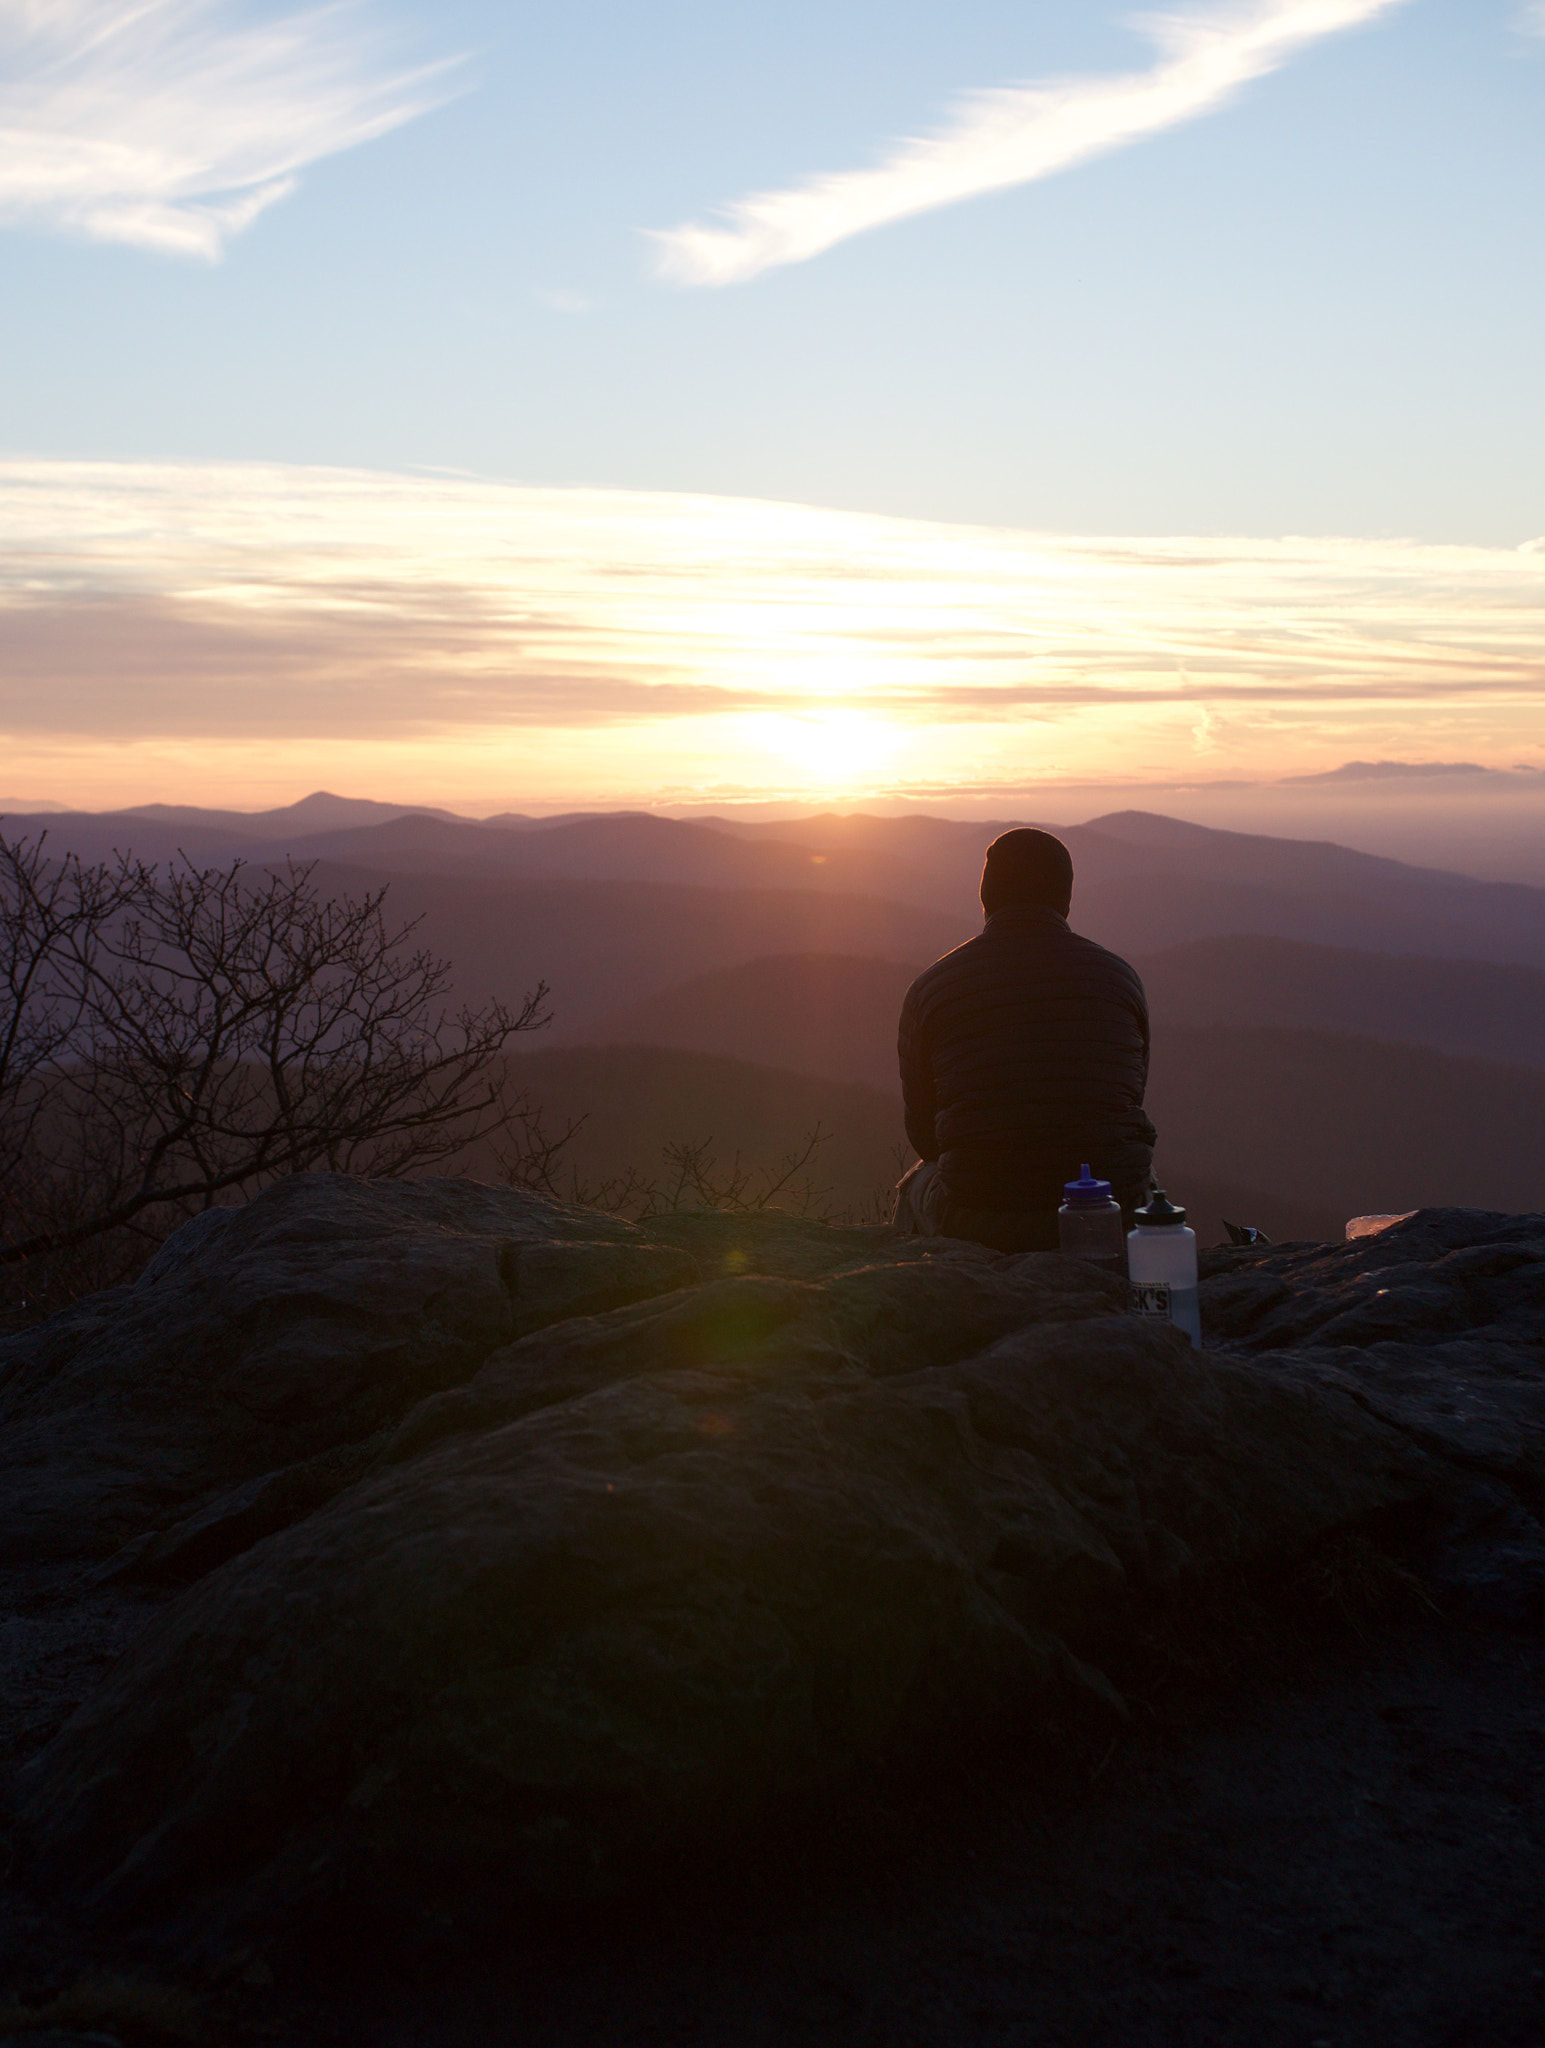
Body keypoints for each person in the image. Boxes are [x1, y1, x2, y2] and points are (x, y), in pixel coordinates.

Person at [893, 826, 1154, 1253]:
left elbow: (925, 1137)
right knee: (1145, 1175)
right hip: (1109, 1211)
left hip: (979, 1215)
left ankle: (924, 1300)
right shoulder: (1120, 980)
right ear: (1066, 899)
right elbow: (1127, 1099)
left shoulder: (931, 989)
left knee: (915, 1185)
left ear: (985, 896)